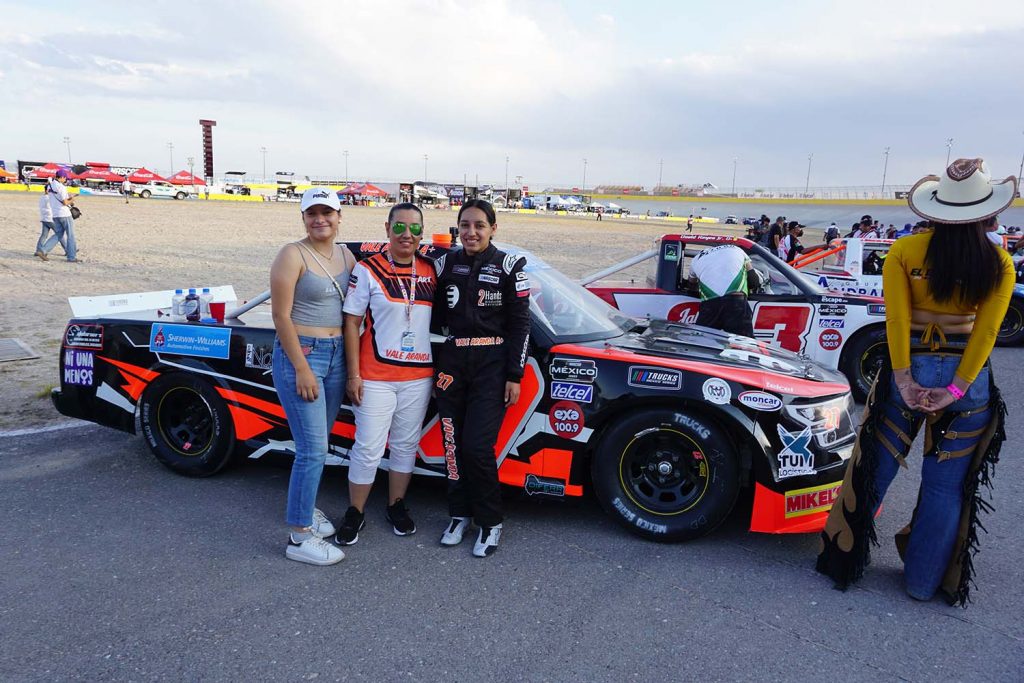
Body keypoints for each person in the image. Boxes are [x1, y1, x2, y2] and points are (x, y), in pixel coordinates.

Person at [817, 158, 1014, 606]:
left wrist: (904, 380)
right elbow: (986, 333)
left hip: (910, 369)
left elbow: (897, 320)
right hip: (970, 383)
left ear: (936, 208)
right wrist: (957, 388)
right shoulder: (999, 262)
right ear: (986, 211)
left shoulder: (906, 253)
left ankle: (844, 566)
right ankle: (923, 585)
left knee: (875, 470)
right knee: (946, 488)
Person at [431, 199, 531, 558]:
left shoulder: (509, 265)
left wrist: (514, 374)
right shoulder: (443, 263)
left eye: (479, 225)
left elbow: (521, 324)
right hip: (452, 361)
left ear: (493, 229)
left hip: (492, 362)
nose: (471, 232)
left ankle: (490, 521)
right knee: (452, 445)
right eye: (464, 225)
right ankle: (459, 514)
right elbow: (431, 316)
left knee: (476, 446)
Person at [334, 203, 436, 545]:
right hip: (374, 376)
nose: (408, 235)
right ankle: (355, 511)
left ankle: (396, 505)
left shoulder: (431, 270)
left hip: (418, 378)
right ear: (387, 229)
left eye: (416, 229)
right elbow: (351, 322)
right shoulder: (367, 269)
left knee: (406, 446)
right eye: (400, 228)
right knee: (369, 448)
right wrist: (353, 375)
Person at [270, 187, 356, 566]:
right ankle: (299, 536)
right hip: (302, 355)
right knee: (312, 449)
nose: (320, 219)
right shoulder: (292, 254)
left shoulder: (345, 255)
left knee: (317, 445)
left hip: (337, 356)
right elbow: (280, 316)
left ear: (339, 218)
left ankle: (307, 511)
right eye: (312, 213)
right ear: (303, 218)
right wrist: (301, 367)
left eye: (328, 213)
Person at [689, 244, 754, 337]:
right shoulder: (736, 250)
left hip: (710, 304)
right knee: (743, 344)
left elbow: (691, 285)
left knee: (703, 342)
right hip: (735, 302)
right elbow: (754, 280)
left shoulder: (697, 258)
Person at [40, 169, 79, 263]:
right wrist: (72, 199)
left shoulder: (50, 185)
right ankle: (71, 257)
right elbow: (65, 202)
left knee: (58, 234)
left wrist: (68, 199)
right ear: (61, 177)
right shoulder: (61, 187)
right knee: (71, 235)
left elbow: (59, 199)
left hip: (55, 214)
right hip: (64, 213)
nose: (65, 180)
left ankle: (43, 250)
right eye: (65, 178)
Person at [34, 182, 66, 261]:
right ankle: (68, 250)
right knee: (59, 234)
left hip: (44, 218)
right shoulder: (49, 198)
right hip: (50, 219)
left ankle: (38, 250)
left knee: (43, 235)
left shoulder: (42, 197)